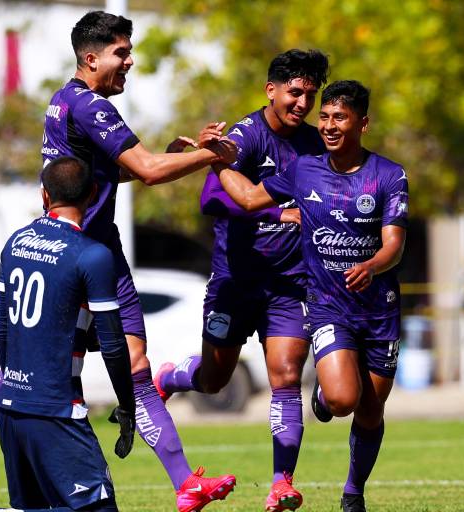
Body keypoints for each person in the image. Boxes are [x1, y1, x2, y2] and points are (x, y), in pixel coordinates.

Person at [0, 11, 238, 512]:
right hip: (70, 255)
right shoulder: (89, 105)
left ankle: (184, 483)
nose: (129, 62)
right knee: (37, 371)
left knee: (135, 364)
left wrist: (177, 155)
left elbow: (120, 172)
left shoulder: (70, 102)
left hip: (101, 249)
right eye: (121, 53)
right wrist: (213, 156)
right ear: (90, 58)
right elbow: (149, 170)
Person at [211, 80, 408, 512]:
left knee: (371, 411)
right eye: (325, 117)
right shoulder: (304, 169)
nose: (329, 126)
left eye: (340, 118)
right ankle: (324, 393)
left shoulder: (389, 175)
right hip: (327, 307)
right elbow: (250, 198)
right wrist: (218, 162)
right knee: (342, 400)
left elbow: (394, 245)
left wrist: (372, 265)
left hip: (379, 311)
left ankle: (353, 492)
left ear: (362, 124)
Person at [153, 49, 328, 512]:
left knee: (286, 375)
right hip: (235, 281)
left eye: (310, 95)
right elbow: (211, 201)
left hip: (289, 284)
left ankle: (281, 483)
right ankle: (171, 376)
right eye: (295, 92)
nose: (302, 103)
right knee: (214, 381)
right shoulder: (244, 138)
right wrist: (277, 212)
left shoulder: (315, 144)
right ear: (271, 90)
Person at [0, 156, 135, 511]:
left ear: (44, 195)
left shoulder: (16, 242)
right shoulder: (93, 255)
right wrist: (127, 405)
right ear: (93, 193)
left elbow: (0, 326)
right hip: (56, 411)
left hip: (11, 408)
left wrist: (15, 385)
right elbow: (113, 344)